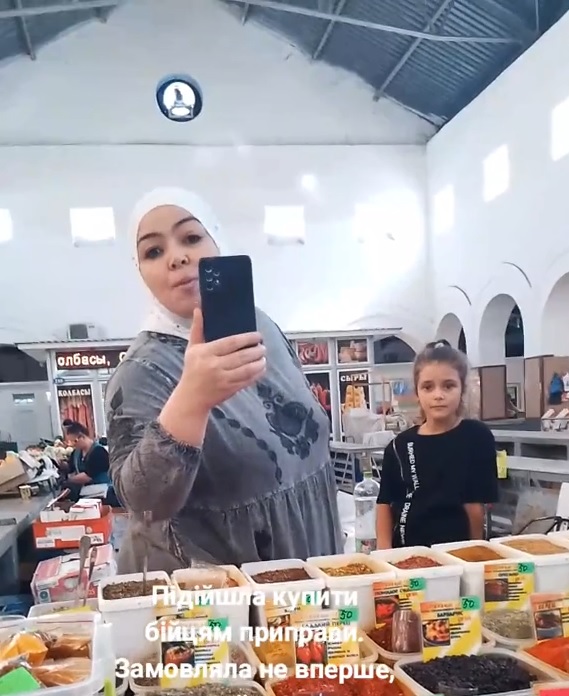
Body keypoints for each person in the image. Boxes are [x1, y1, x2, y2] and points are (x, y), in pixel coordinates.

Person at [104, 187, 343, 573]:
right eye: (154, 251)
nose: (177, 257)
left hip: (315, 564)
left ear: (217, 242)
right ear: (141, 272)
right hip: (227, 590)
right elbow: (143, 504)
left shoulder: (261, 326)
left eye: (191, 237)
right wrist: (191, 400)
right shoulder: (142, 371)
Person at [376, 340, 499, 549]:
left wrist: (476, 552)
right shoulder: (399, 446)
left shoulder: (477, 436)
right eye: (428, 387)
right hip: (408, 553)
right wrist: (384, 553)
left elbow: (475, 506)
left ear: (462, 389)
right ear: (417, 393)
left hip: (458, 552)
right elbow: (385, 503)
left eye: (448, 386)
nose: (438, 395)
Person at [63, 422, 111, 501]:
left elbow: (87, 476)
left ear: (82, 437)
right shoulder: (76, 453)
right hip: (85, 491)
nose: (72, 445)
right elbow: (71, 468)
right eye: (69, 442)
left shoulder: (99, 452)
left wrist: (68, 480)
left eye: (74, 441)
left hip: (102, 491)